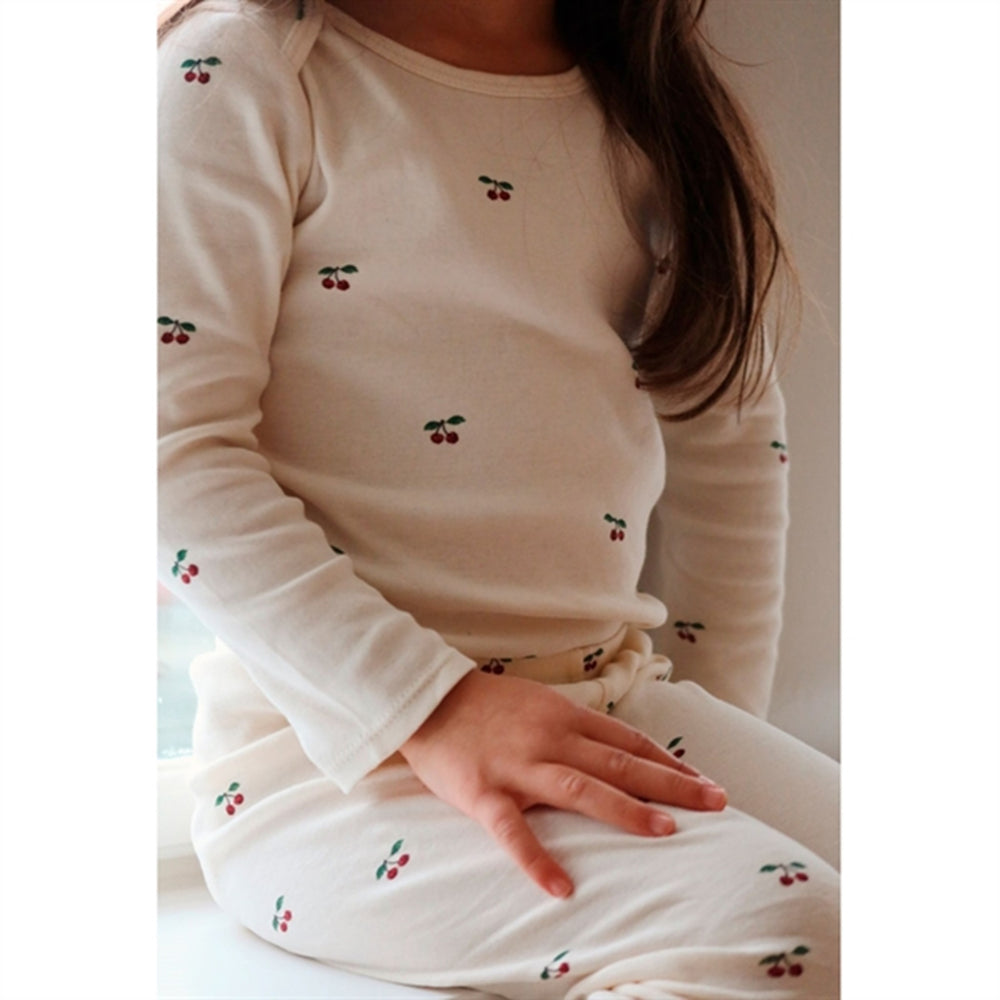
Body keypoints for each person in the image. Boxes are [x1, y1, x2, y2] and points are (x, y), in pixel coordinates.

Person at [157, 0, 840, 996]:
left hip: (606, 706)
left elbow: (727, 453)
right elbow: (169, 448)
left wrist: (710, 781)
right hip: (334, 768)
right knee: (790, 935)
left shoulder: (650, 99)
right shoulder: (248, 69)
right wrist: (432, 708)